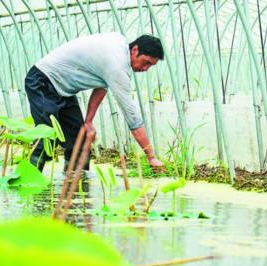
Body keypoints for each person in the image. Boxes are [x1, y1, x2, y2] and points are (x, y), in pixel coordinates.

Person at [24, 32, 164, 172]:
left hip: (64, 90)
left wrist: (89, 121)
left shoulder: (119, 44)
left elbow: (102, 86)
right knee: (46, 139)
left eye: (150, 66)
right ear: (135, 50)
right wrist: (151, 157)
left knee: (80, 143)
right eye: (146, 62)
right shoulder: (117, 65)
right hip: (43, 81)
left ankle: (76, 189)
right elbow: (133, 119)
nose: (145, 69)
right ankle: (28, 186)